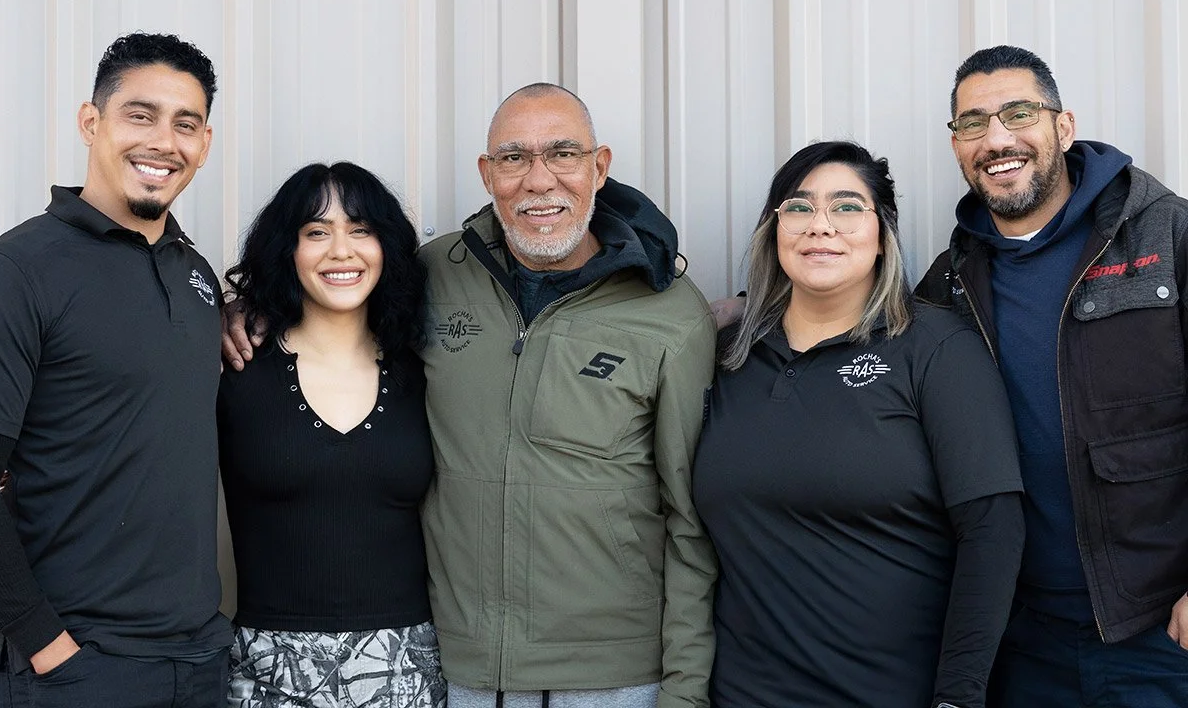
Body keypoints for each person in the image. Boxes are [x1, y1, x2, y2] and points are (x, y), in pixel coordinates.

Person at [225, 83, 717, 708]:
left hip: (614, 678)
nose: (539, 181)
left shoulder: (670, 314)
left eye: (563, 153)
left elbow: (692, 522)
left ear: (600, 167)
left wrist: (686, 692)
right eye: (514, 158)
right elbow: (337, 289)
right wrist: (242, 312)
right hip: (461, 675)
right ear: (487, 174)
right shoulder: (435, 276)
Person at [694, 140, 1025, 708]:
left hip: (894, 692)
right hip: (741, 695)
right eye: (798, 208)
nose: (820, 226)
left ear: (882, 234)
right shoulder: (727, 358)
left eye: (847, 207)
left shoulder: (936, 349)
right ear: (774, 231)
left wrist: (958, 697)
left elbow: (993, 533)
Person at [914, 45, 1188, 707]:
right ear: (956, 145)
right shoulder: (950, 281)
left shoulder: (1166, 234)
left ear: (1063, 127)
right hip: (1020, 639)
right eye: (973, 123)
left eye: (1019, 113)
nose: (998, 138)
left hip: (1159, 631)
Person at [0, 32, 232, 707]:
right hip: (80, 671)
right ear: (91, 123)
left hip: (200, 661)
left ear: (204, 144)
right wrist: (45, 645)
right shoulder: (19, 270)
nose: (163, 141)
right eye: (140, 115)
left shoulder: (194, 274)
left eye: (186, 124)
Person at [219, 162, 446, 707]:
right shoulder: (233, 366)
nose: (341, 251)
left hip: (406, 671)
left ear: (386, 247)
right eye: (316, 232)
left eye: (361, 230)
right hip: (269, 674)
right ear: (286, 251)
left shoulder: (428, 371)